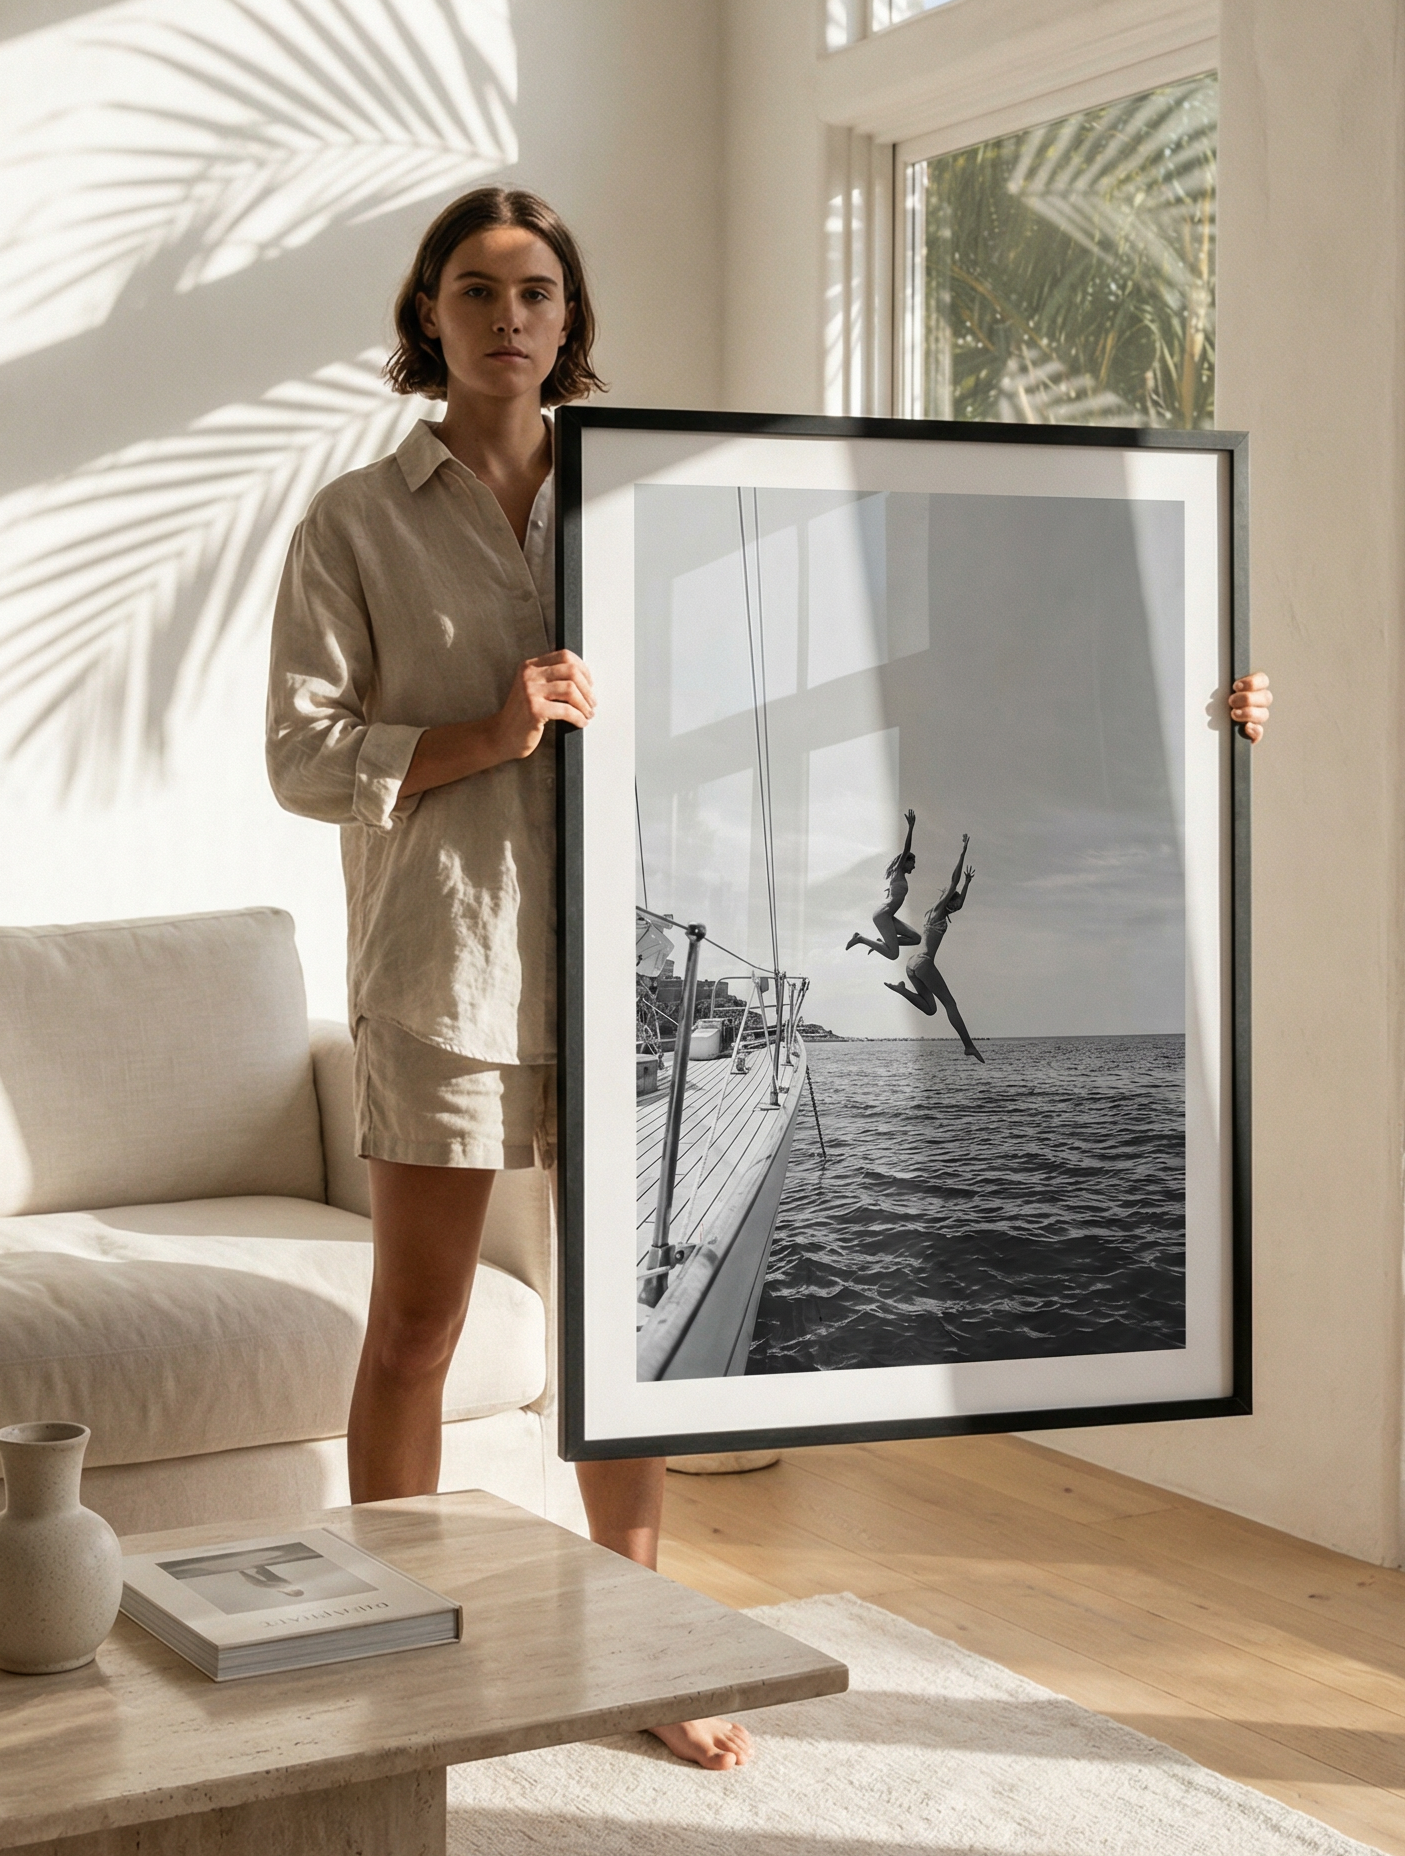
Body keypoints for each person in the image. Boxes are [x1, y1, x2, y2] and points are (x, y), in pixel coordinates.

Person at [265, 187, 751, 1770]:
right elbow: (299, 754)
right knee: (417, 1324)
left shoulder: (639, 502)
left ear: (568, 318)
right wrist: (493, 730)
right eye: (474, 289)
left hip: (621, 981)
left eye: (535, 289)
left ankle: (648, 1658)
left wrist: (1204, 707)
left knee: (620, 1342)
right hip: (444, 974)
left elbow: (719, 709)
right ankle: (401, 1658)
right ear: (430, 316)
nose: (508, 314)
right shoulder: (354, 519)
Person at [886, 834, 985, 1059]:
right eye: (955, 903)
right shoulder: (940, 910)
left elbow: (958, 900)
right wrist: (963, 853)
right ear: (948, 901)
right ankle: (968, 1045)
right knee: (950, 1003)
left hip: (912, 964)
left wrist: (967, 885)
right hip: (924, 962)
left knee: (931, 1009)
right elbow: (953, 882)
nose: (957, 907)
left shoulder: (935, 912)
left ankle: (902, 990)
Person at [846, 809, 921, 959]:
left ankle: (883, 944)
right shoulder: (899, 871)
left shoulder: (900, 877)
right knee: (893, 955)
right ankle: (860, 938)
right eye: (913, 863)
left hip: (888, 915)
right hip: (883, 915)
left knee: (916, 938)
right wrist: (911, 827)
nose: (914, 866)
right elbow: (906, 849)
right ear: (906, 861)